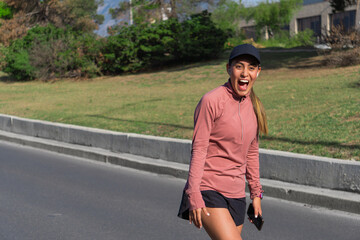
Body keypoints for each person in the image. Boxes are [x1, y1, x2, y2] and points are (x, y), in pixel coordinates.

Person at [177, 44, 268, 240]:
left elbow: (251, 153)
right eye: (239, 66)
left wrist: (256, 195)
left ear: (258, 72)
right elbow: (199, 149)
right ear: (228, 68)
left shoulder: (254, 106)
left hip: (236, 194)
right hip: (209, 188)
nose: (245, 73)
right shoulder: (211, 101)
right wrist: (193, 194)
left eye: (251, 67)